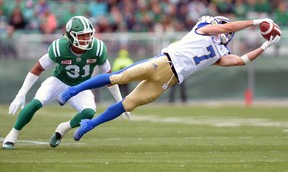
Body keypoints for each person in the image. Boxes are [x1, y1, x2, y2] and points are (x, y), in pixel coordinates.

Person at [58, 15, 280, 141]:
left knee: (129, 104)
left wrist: (264, 45)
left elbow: (240, 60)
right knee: (118, 77)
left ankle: (90, 125)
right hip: (162, 63)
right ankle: (72, 90)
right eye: (222, 26)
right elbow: (230, 26)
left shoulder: (220, 53)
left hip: (169, 81)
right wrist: (254, 21)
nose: (224, 30)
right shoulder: (203, 28)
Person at [2, 15, 129, 149]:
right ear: (71, 36)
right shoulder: (59, 48)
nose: (86, 39)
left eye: (88, 35)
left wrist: (120, 102)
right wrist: (21, 94)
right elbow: (37, 69)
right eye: (82, 36)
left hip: (81, 85)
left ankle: (63, 128)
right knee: (35, 103)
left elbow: (109, 77)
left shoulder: (97, 48)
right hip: (59, 81)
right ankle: (13, 134)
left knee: (89, 112)